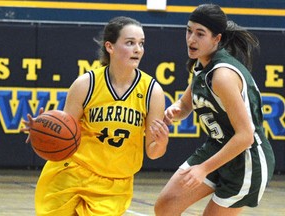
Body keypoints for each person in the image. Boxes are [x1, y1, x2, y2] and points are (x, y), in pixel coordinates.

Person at [22, 16, 169, 215]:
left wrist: (161, 142)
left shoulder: (152, 91)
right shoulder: (86, 84)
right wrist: (43, 130)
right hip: (72, 172)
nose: (138, 49)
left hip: (114, 185)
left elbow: (153, 152)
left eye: (141, 44)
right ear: (110, 46)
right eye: (130, 43)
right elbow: (65, 129)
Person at [154, 4, 275, 216]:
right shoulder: (201, 66)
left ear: (216, 39)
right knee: (166, 206)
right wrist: (174, 111)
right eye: (189, 30)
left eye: (200, 34)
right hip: (218, 147)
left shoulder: (222, 76)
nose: (191, 39)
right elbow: (185, 105)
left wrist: (203, 168)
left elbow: (245, 136)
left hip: (246, 159)